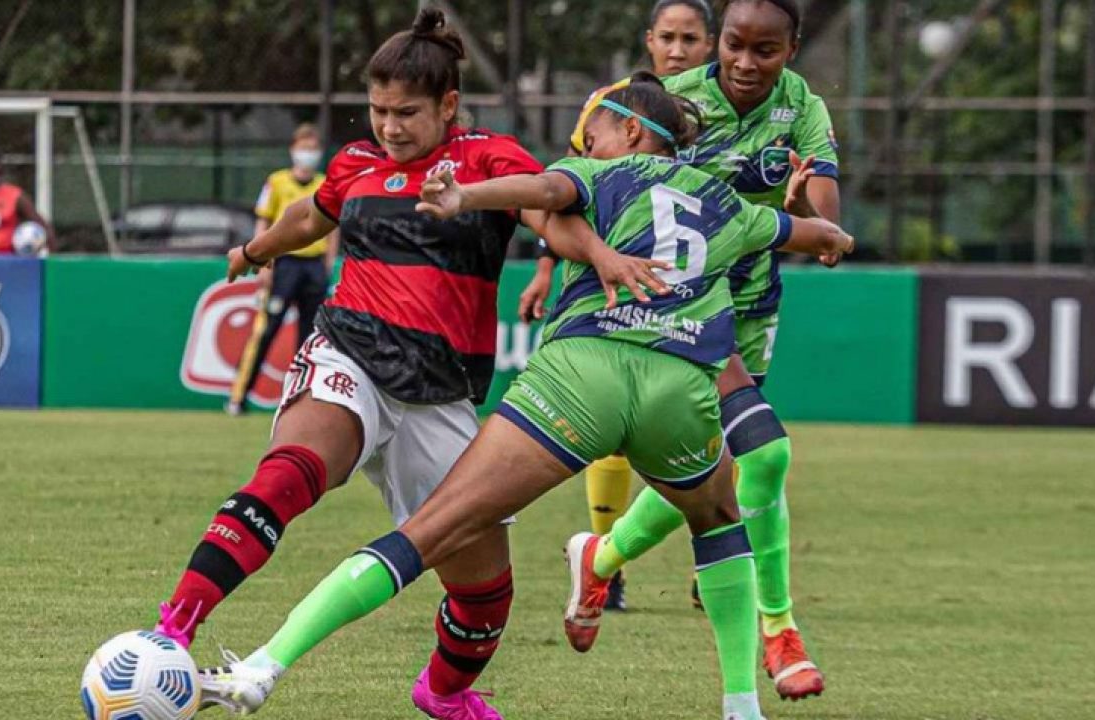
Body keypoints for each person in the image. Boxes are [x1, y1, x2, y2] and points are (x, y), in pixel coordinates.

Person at [198, 77, 852, 720]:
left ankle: (264, 666)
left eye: (591, 130)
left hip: (580, 378)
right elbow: (818, 236)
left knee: (432, 529)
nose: (581, 142)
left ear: (629, 132)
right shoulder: (725, 202)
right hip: (678, 391)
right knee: (718, 522)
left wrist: (465, 194)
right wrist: (816, 222)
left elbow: (543, 189)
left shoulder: (599, 175)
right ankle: (741, 707)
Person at [150, 10, 659, 719]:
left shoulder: (487, 157)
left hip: (441, 394)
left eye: (407, 113)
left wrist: (599, 254)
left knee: (484, 596)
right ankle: (172, 628)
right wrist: (257, 250)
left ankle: (443, 695)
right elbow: (310, 218)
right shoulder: (356, 163)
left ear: (448, 106)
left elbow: (549, 216)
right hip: (348, 349)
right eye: (379, 110)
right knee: (290, 474)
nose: (390, 126)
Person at [527, 0, 841, 702]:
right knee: (766, 453)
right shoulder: (669, 104)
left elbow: (826, 233)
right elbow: (574, 189)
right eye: (733, 45)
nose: (744, 62)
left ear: (791, 50)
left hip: (749, 309)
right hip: (676, 310)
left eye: (765, 50)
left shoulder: (805, 111)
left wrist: (805, 211)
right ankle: (779, 631)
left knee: (709, 469)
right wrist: (562, 261)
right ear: (718, 42)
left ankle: (600, 557)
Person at [525, 0, 718, 613]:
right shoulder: (612, 104)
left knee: (713, 430)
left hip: (697, 287)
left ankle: (704, 556)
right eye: (669, 37)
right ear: (650, 41)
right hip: (613, 281)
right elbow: (569, 188)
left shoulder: (727, 104)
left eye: (691, 38)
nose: (679, 49)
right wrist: (548, 262)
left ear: (710, 44)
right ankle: (609, 558)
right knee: (611, 428)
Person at [225, 123, 338, 416]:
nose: (308, 154)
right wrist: (262, 261)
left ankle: (300, 399)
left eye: (313, 149)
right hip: (284, 264)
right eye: (303, 148)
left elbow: (333, 229)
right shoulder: (276, 182)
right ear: (292, 150)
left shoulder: (325, 183)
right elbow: (263, 221)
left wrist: (328, 263)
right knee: (266, 330)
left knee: (310, 337)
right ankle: (238, 398)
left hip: (314, 267)